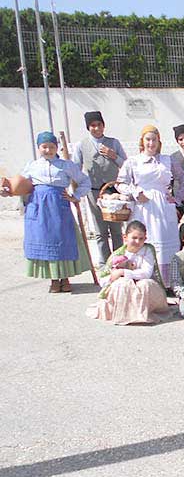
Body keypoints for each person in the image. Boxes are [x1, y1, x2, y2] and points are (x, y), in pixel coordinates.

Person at [7, 131, 92, 293]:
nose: (48, 150)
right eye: (44, 147)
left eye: (51, 147)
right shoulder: (33, 166)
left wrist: (75, 196)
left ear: (57, 147)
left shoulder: (66, 165)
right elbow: (19, 185)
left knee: (62, 240)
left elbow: (84, 181)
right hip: (39, 208)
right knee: (46, 241)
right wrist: (8, 190)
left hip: (59, 207)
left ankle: (66, 278)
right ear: (39, 147)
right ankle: (54, 279)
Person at [116, 125, 181, 280]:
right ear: (142, 141)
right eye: (148, 139)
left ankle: (167, 282)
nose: (151, 143)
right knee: (143, 239)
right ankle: (141, 277)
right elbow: (119, 183)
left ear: (159, 142)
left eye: (154, 140)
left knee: (164, 243)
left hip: (164, 207)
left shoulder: (168, 160)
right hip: (143, 207)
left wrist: (176, 198)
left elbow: (183, 178)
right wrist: (135, 192)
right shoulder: (133, 161)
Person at [87, 220, 170, 325]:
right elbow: (103, 279)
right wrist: (115, 276)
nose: (138, 242)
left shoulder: (147, 250)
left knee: (145, 284)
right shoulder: (118, 254)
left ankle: (143, 314)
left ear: (145, 239)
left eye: (141, 239)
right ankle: (123, 314)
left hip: (144, 285)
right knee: (122, 284)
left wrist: (123, 272)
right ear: (125, 238)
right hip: (125, 286)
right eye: (134, 238)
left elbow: (146, 273)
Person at [71, 110, 127, 264]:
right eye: (92, 125)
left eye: (99, 125)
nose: (96, 128)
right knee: (100, 229)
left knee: (116, 228)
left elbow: (126, 165)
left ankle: (118, 260)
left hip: (113, 190)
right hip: (93, 191)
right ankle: (104, 262)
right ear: (88, 127)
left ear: (104, 126)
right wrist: (76, 189)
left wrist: (113, 155)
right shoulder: (81, 145)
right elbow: (75, 168)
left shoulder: (113, 143)